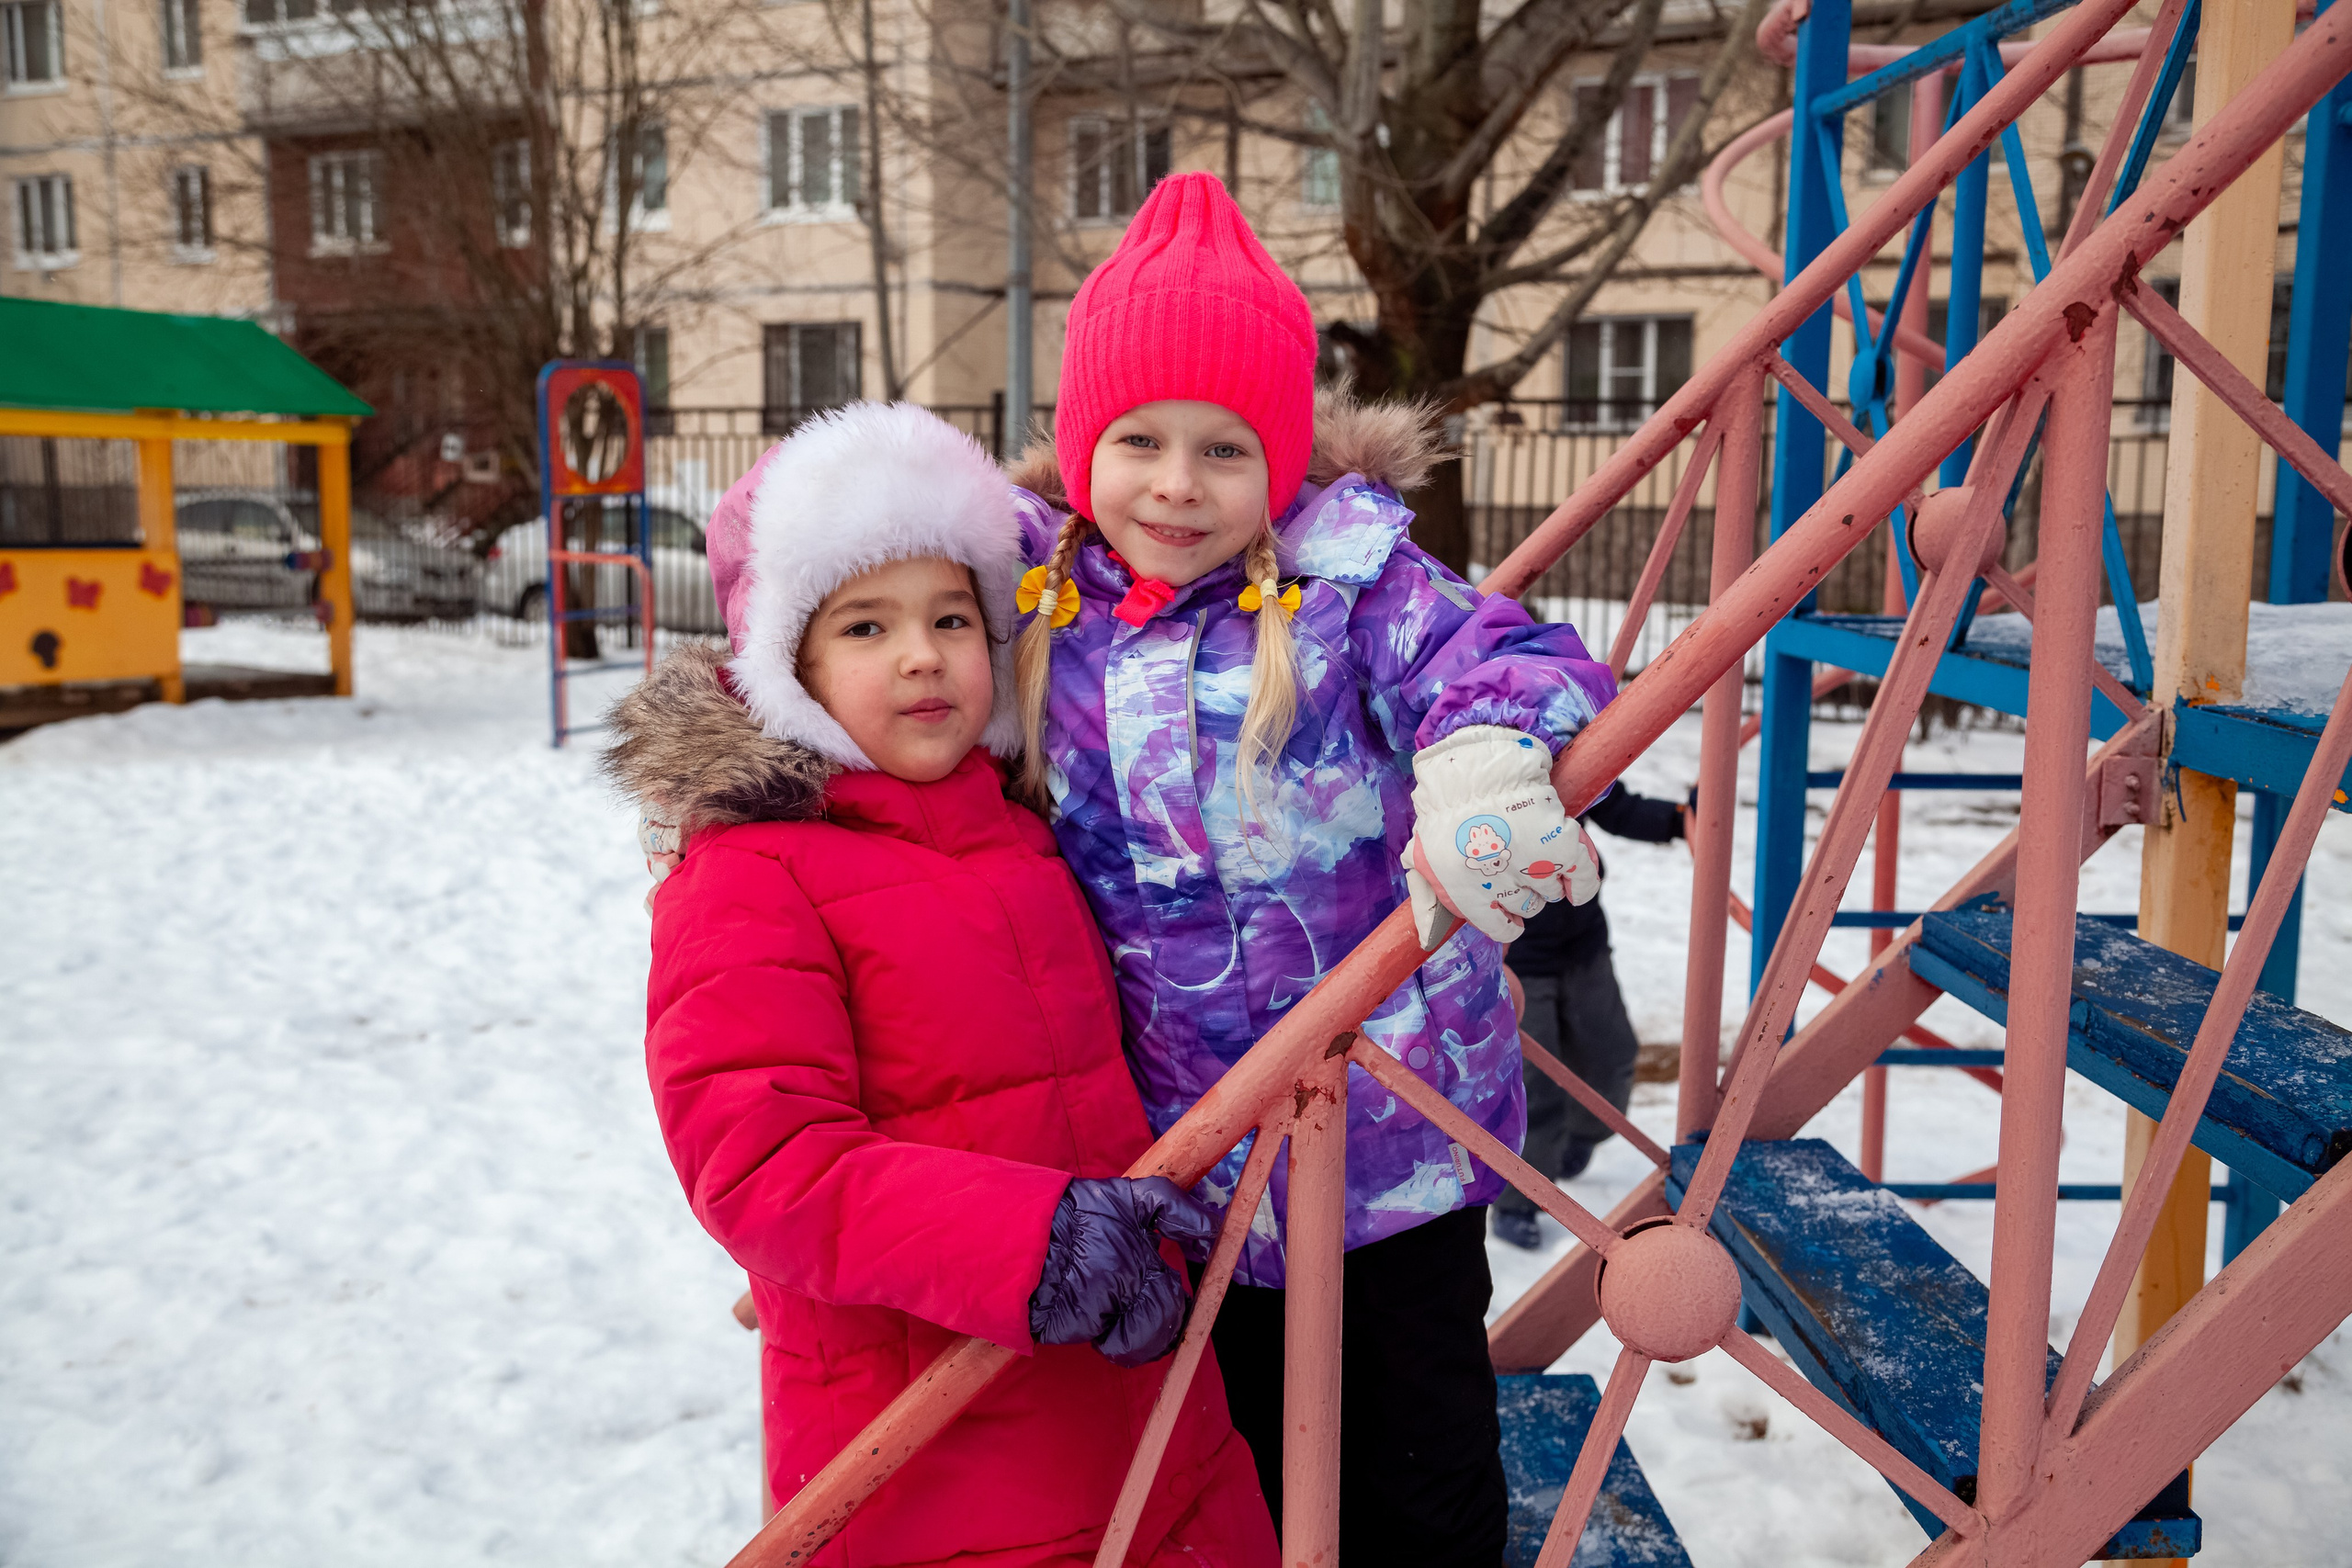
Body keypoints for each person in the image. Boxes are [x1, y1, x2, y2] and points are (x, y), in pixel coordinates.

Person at [1005, 171, 1615, 1566]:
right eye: (1139, 438)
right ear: (1079, 444)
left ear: (1280, 458)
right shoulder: (1037, 604)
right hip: (1191, 1151)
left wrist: (1476, 765)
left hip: (1392, 1138)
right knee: (1239, 1482)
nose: (1175, 483)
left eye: (1224, 448)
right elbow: (874, 671)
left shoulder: (1350, 587)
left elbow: (1505, 658)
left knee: (1417, 1474)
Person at [608, 401, 1277, 1568]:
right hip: (938, 1451)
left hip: (1146, 1417)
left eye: (953, 617)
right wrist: (1032, 1242)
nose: (923, 654)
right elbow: (761, 1162)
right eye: (866, 627)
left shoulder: (1018, 830)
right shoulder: (751, 875)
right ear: (789, 670)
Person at [1489, 784, 1688, 1251]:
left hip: (1583, 944)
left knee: (1612, 1054)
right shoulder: (1475, 780)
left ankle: (1584, 1132)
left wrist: (1680, 818)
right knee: (1534, 1087)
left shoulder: (1557, 754)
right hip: (1516, 958)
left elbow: (1617, 805)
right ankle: (1518, 1200)